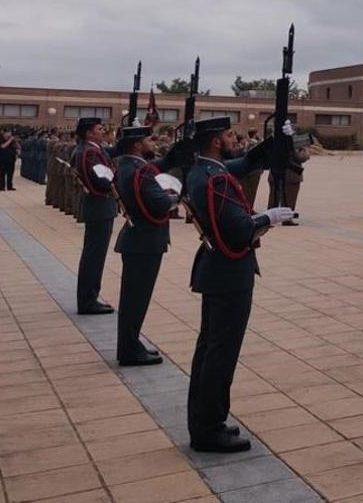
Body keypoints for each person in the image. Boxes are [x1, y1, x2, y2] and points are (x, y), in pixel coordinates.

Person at [185, 116, 295, 453]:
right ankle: (209, 429)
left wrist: (278, 140)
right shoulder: (215, 179)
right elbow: (239, 229)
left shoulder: (203, 169)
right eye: (230, 134)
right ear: (217, 141)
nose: (234, 139)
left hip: (217, 269)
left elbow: (250, 161)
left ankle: (205, 419)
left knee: (210, 348)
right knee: (221, 352)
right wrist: (268, 218)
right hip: (229, 272)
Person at [112, 126, 188, 366]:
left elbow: (157, 168)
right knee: (136, 300)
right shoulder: (139, 170)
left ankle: (131, 344)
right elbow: (158, 203)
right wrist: (174, 197)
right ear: (137, 145)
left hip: (138, 239)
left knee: (133, 300)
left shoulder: (127, 165)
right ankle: (129, 350)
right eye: (148, 139)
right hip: (145, 241)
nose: (152, 142)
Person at [71, 117, 117, 315]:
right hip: (99, 206)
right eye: (99, 129)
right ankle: (88, 300)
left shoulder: (88, 149)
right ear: (89, 133)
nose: (102, 131)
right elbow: (102, 180)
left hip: (99, 206)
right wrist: (116, 178)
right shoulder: (89, 152)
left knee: (94, 255)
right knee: (94, 257)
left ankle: (90, 297)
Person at [267, 143, 310, 225]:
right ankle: (286, 219)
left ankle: (269, 218)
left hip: (275, 174)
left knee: (273, 198)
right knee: (289, 199)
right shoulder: (290, 143)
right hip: (290, 176)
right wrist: (305, 150)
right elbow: (300, 157)